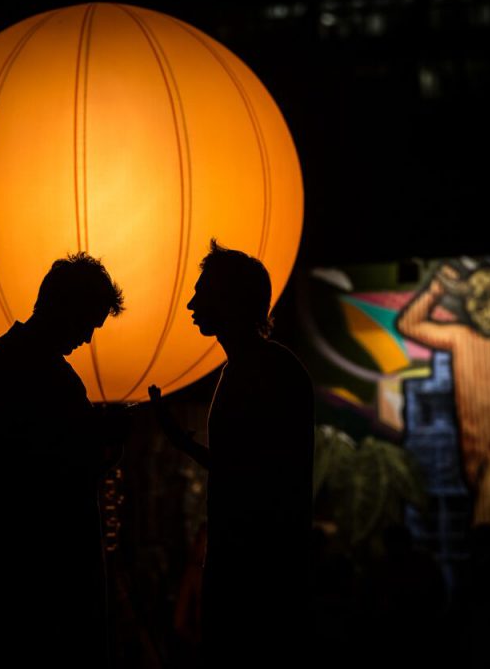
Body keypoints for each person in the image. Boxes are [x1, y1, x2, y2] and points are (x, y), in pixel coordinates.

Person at [150, 240, 315, 666]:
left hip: (257, 576)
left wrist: (180, 441)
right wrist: (182, 442)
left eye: (202, 291)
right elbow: (246, 468)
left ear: (229, 300)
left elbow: (253, 476)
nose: (190, 303)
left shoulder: (263, 372)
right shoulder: (259, 368)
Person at [0, 252, 125, 666]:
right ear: (65, 308)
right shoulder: (45, 377)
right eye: (88, 323)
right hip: (41, 578)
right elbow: (54, 474)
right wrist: (105, 448)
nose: (87, 339)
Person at [396, 261, 490, 587]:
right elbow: (408, 324)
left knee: (483, 526)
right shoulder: (460, 337)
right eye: (479, 300)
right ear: (468, 306)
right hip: (471, 452)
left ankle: (477, 601)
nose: (489, 308)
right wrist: (434, 289)